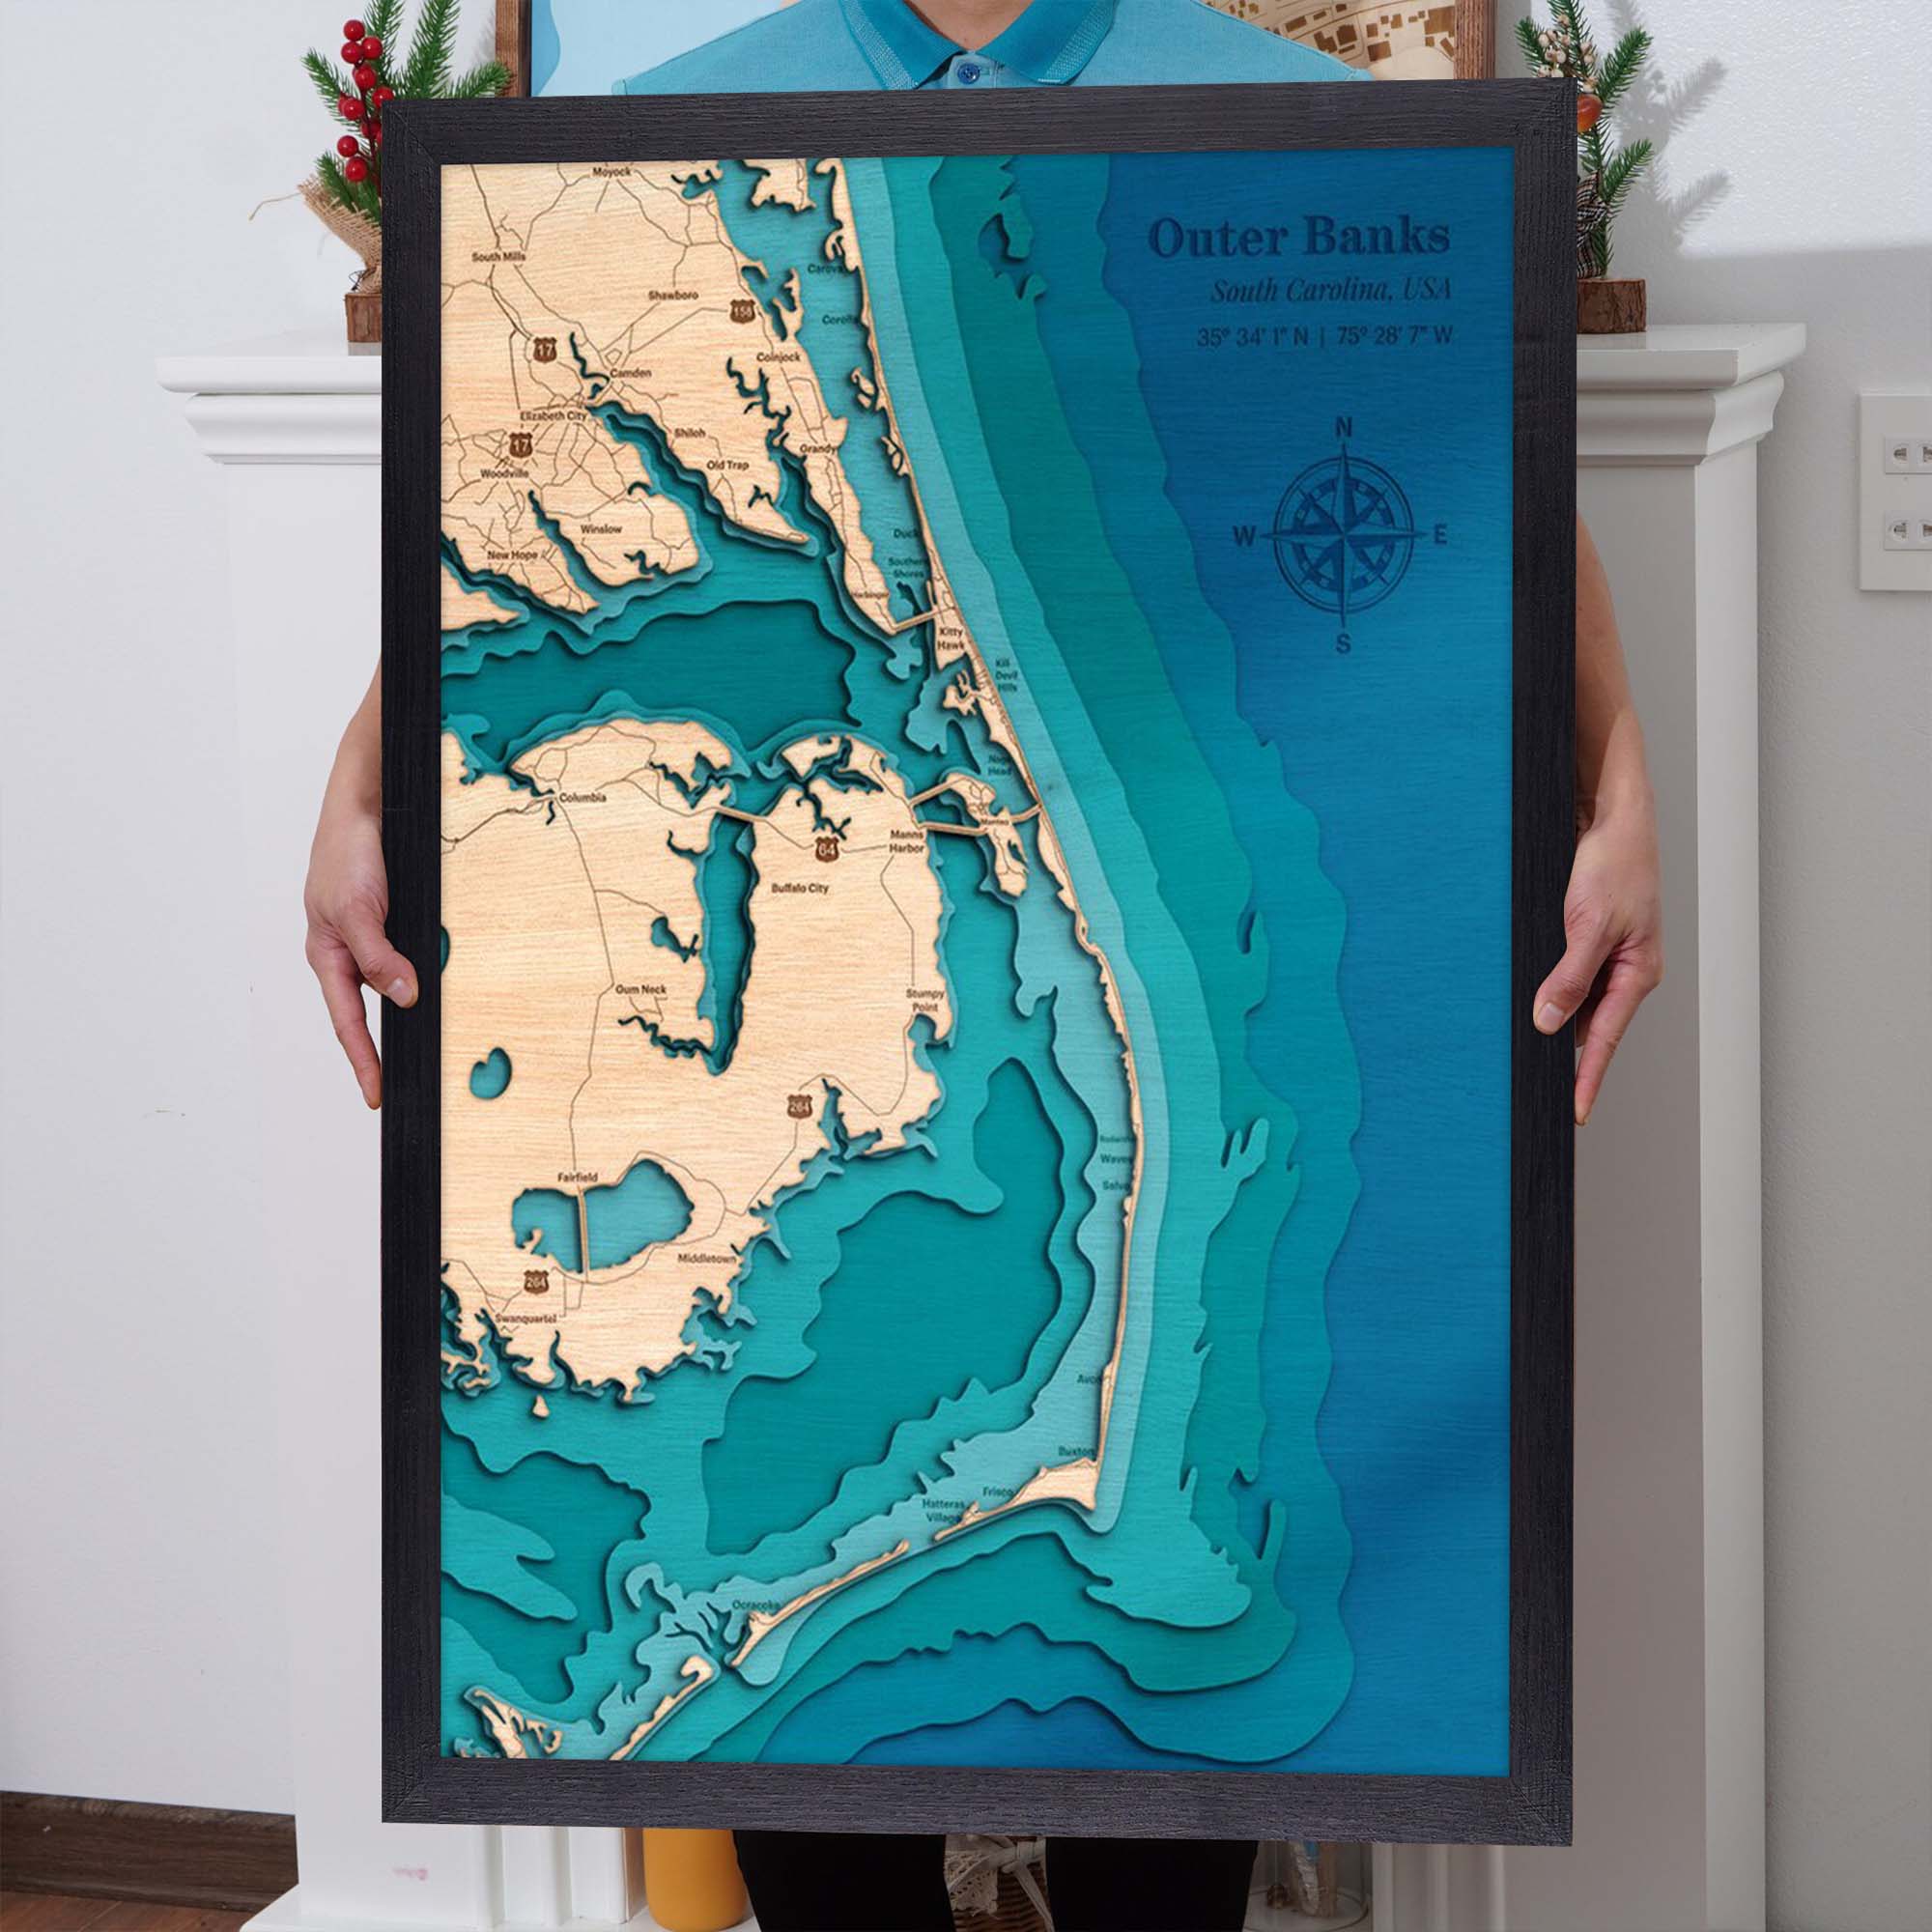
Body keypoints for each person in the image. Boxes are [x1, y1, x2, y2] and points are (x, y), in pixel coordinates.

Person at [303, 4, 1663, 1926]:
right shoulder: (655, 126)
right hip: (851, 1020)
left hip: (1175, 983)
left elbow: (1482, 484)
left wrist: (1626, 783)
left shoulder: (1312, 118)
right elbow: (474, 499)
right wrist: (358, 784)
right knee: (788, 1704)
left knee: (1181, 1722)